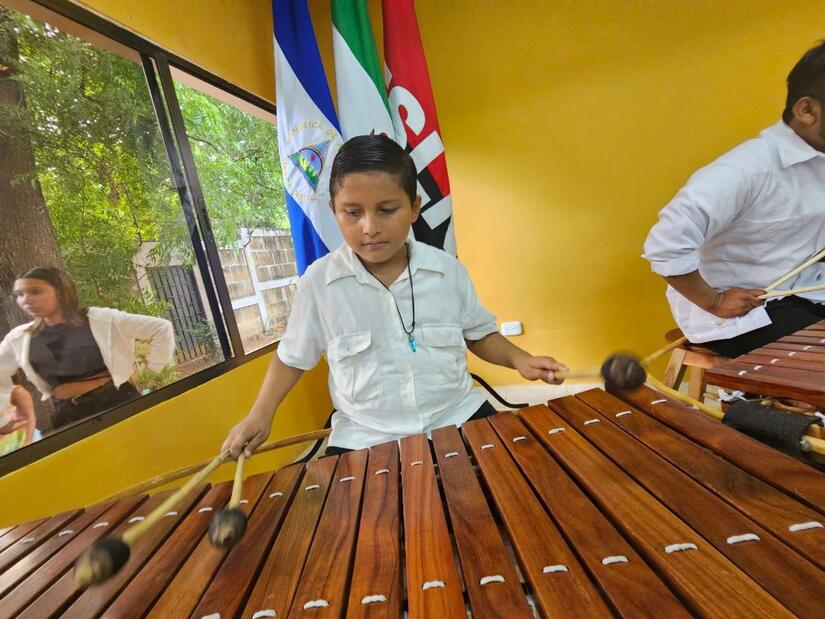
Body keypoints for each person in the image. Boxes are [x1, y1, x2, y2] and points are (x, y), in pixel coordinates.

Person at [223, 135, 568, 458]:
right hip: (365, 435)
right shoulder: (319, 283)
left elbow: (479, 335)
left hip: (458, 414)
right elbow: (292, 358)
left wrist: (522, 361)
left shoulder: (448, 271)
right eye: (353, 212)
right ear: (333, 209)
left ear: (414, 207)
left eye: (387, 210)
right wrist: (260, 414)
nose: (370, 227)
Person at [643, 40, 825, 359]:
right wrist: (714, 301)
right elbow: (666, 243)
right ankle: (751, 405)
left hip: (805, 290)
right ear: (807, 110)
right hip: (741, 315)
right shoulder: (746, 170)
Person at [0, 267, 175, 429]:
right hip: (68, 416)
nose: (26, 300)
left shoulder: (99, 319)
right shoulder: (20, 337)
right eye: (19, 294)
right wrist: (4, 417)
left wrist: (153, 366)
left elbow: (161, 328)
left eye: (35, 292)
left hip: (117, 402)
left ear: (61, 292)